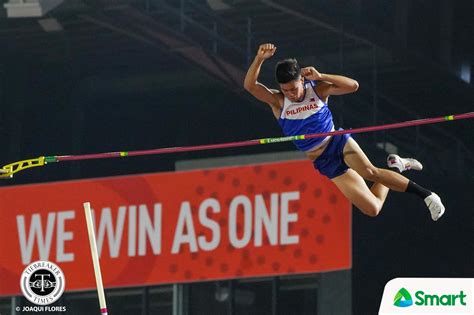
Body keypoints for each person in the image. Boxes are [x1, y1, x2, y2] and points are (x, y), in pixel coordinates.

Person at [243, 43, 445, 220]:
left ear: (302, 81)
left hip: (337, 143)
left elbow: (353, 86)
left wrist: (322, 76)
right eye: (286, 90)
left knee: (369, 172)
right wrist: (259, 59)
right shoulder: (279, 102)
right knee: (372, 208)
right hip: (323, 161)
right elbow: (250, 86)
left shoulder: (318, 90)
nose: (291, 94)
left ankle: (427, 195)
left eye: (294, 89)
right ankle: (398, 166)